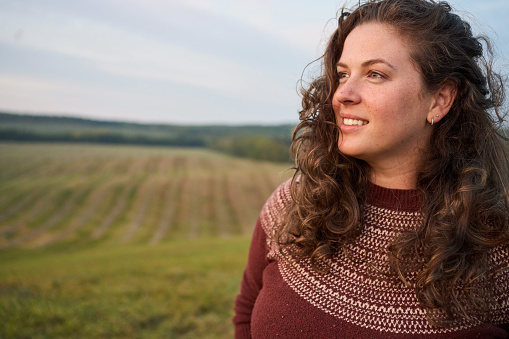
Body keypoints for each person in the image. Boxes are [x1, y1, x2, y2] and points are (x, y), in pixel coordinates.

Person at [233, 0, 509, 337]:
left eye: (375, 74)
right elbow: (247, 313)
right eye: (342, 74)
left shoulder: (497, 245)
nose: (342, 95)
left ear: (439, 99)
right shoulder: (294, 206)